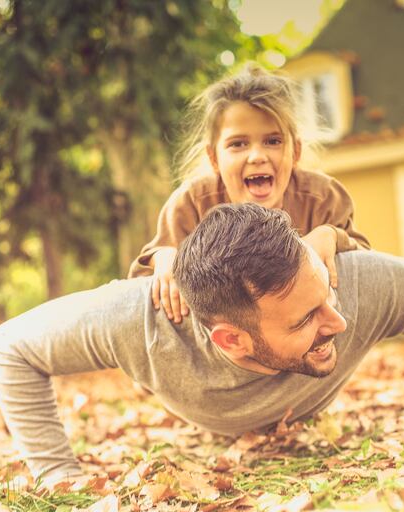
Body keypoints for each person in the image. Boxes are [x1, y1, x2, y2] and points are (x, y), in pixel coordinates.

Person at [0, 204, 404, 487]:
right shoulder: (135, 320)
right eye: (307, 318)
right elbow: (8, 348)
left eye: (326, 294)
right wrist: (57, 474)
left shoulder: (354, 282)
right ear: (231, 339)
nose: (339, 319)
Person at [128, 65, 370, 323]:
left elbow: (369, 269)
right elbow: (141, 277)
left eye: (273, 141)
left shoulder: (323, 199)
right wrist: (165, 259)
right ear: (214, 158)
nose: (257, 156)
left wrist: (331, 235)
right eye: (238, 144)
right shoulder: (191, 204)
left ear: (295, 152)